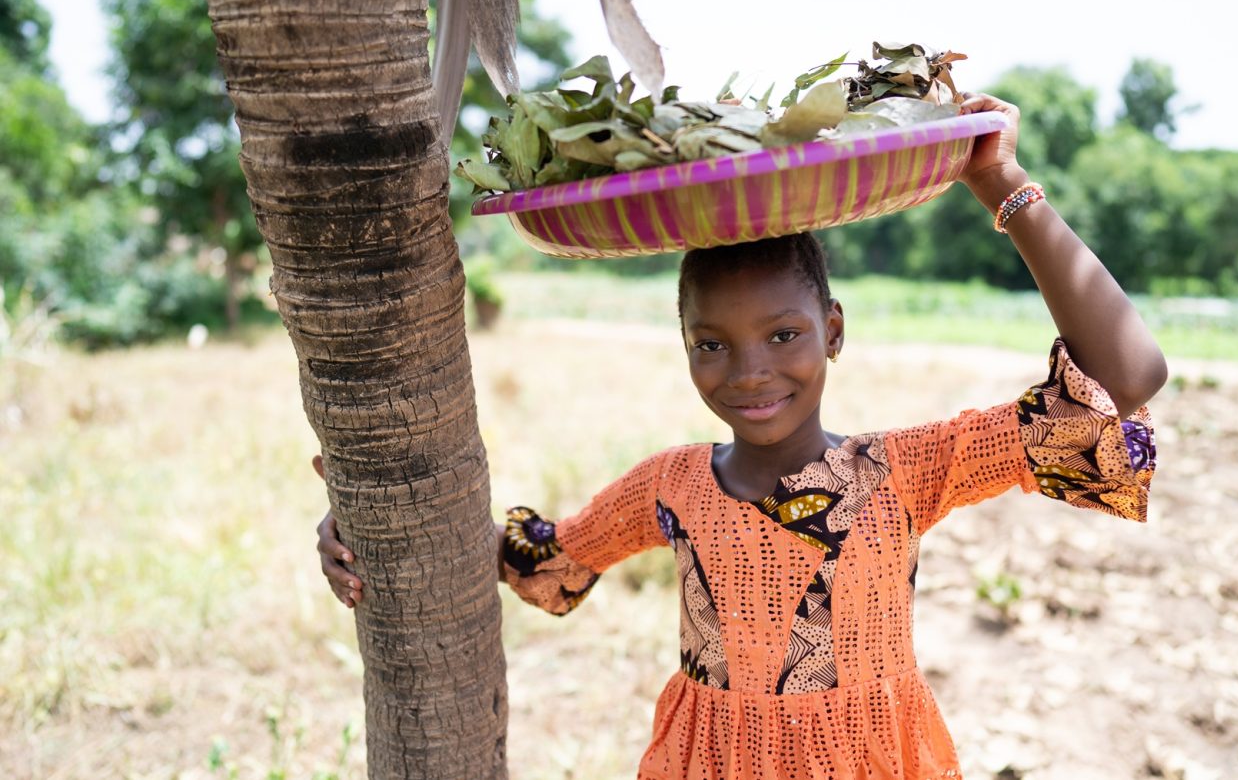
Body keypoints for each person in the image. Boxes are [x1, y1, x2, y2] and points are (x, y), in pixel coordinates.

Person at [313, 93, 1166, 779]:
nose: (749, 372)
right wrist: (369, 517)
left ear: (833, 328)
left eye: (783, 335)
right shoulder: (672, 486)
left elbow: (1127, 379)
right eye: (711, 345)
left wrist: (1004, 187)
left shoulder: (902, 471)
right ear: (684, 347)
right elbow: (542, 563)